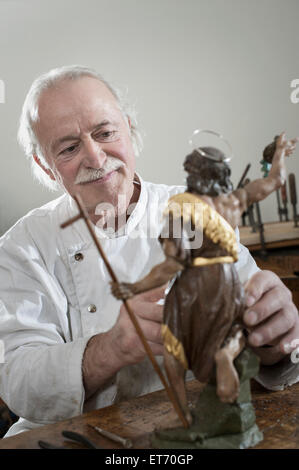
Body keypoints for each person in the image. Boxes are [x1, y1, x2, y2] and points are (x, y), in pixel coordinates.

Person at [0, 66, 298, 437]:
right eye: (69, 148)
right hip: (65, 435)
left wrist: (274, 336)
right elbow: (18, 381)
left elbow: (261, 341)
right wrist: (110, 348)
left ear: (129, 128)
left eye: (105, 132)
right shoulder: (20, 248)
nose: (95, 157)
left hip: (192, 426)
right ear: (45, 166)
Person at [111, 136, 298, 425]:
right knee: (235, 332)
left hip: (191, 288)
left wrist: (134, 288)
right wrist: (280, 154)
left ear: (192, 174)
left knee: (174, 351)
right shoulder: (235, 201)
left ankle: (183, 411)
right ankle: (225, 355)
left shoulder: (181, 207)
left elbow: (172, 263)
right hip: (226, 284)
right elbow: (275, 180)